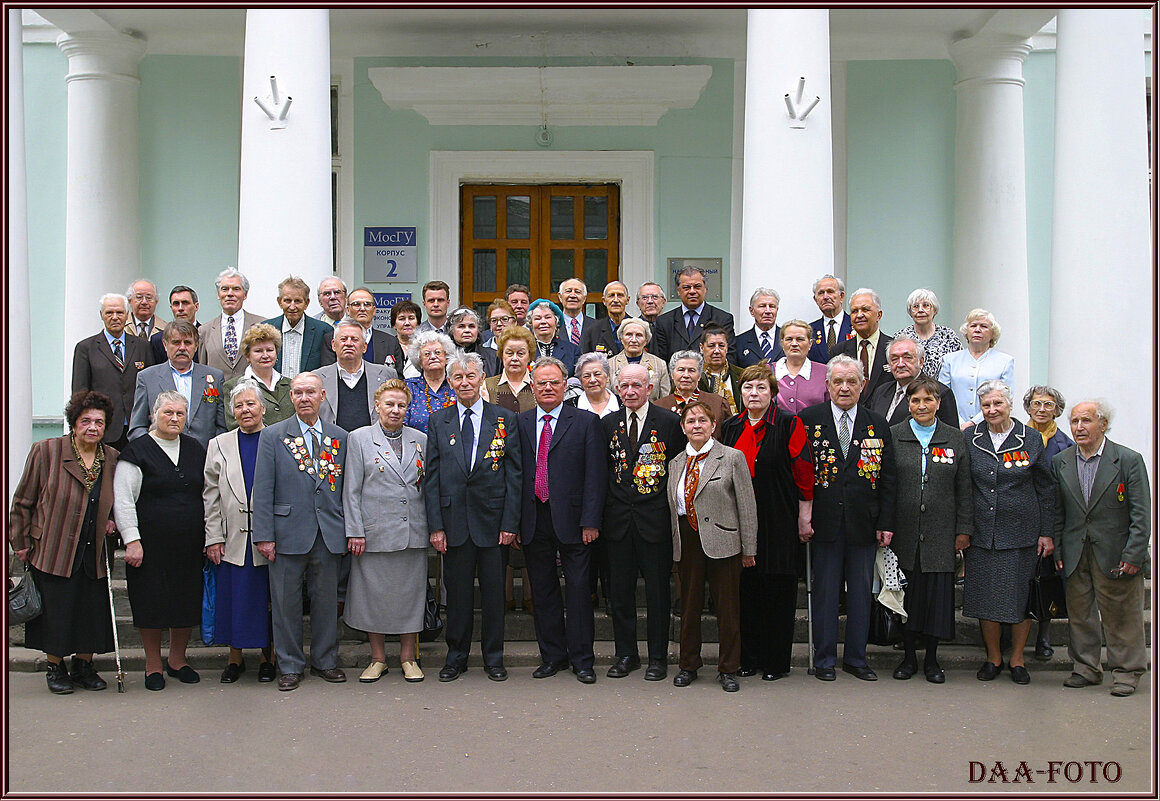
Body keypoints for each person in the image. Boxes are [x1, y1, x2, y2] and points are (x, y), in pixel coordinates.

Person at [9, 391, 118, 694]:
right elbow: (22, 501)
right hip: (53, 545)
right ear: (74, 423)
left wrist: (113, 522)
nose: (92, 427)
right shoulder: (46, 451)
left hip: (92, 548)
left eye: (99, 422)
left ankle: (84, 666)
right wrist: (19, 540)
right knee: (57, 611)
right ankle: (55, 667)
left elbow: (117, 501)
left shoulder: (111, 458)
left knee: (90, 611)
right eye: (86, 421)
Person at [798, 355, 896, 682]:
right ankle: (824, 659)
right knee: (825, 594)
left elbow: (888, 478)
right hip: (823, 522)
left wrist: (886, 522)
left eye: (851, 381)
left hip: (863, 522)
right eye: (837, 381)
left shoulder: (876, 424)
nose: (844, 387)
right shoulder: (808, 420)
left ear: (862, 385)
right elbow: (799, 473)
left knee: (859, 594)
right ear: (827, 386)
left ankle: (856, 658)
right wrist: (804, 515)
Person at [426, 354, 523, 682]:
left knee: (495, 594)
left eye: (470, 376)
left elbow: (515, 474)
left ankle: (494, 657)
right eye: (457, 377)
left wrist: (511, 523)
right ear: (450, 382)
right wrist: (436, 525)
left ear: (482, 378)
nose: (464, 382)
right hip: (453, 524)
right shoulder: (439, 421)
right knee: (458, 594)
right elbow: (432, 477)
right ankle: (456, 657)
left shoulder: (504, 418)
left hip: (494, 523)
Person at [252, 372, 350, 691]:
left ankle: (325, 660)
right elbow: (263, 489)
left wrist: (349, 530)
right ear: (291, 398)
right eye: (298, 393)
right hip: (285, 532)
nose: (304, 398)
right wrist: (264, 535)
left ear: (323, 396)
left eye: (310, 392)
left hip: (328, 532)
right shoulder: (273, 436)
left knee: (325, 602)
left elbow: (347, 489)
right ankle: (290, 665)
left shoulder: (340, 437)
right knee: (285, 603)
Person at [718, 363, 813, 682]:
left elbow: (803, 471)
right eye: (747, 387)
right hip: (740, 522)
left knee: (777, 591)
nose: (753, 393)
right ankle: (749, 657)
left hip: (778, 519)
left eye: (760, 387)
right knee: (747, 592)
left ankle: (775, 662)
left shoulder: (789, 423)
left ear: (773, 393)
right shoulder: (731, 426)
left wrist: (805, 513)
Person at [517, 357, 608, 683]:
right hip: (534, 519)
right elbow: (518, 475)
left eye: (554, 382)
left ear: (566, 384)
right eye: (541, 383)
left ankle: (583, 660)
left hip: (575, 522)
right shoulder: (522, 422)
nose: (547, 388)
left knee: (580, 592)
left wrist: (591, 521)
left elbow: (596, 476)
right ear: (532, 386)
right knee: (542, 593)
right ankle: (552, 656)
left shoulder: (584, 422)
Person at [1053, 401, 1151, 697]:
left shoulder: (1127, 460)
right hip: (1075, 552)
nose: (1079, 427)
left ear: (1103, 424)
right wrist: (1059, 551)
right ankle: (1086, 668)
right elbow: (1058, 512)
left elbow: (1141, 513)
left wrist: (1134, 554)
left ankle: (1126, 671)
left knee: (1122, 615)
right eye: (1074, 421)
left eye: (1086, 421)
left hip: (1116, 554)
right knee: (1080, 614)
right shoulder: (1062, 461)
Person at [114, 391, 207, 690]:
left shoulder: (195, 449)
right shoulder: (137, 450)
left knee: (184, 601)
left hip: (190, 543)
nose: (174, 418)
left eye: (180, 413)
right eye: (168, 412)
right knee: (150, 603)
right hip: (149, 544)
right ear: (155, 414)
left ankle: (177, 660)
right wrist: (132, 539)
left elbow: (207, 493)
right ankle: (153, 664)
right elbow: (124, 500)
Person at [964, 380, 1055, 685]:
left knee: (1020, 598)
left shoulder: (1030, 438)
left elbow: (1045, 488)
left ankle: (1017, 658)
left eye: (997, 404)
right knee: (985, 598)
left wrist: (1046, 532)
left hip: (1021, 532)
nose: (991, 410)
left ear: (1010, 404)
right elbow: (963, 486)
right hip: (982, 533)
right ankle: (993, 657)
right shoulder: (971, 438)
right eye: (986, 405)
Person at [601, 364, 684, 681]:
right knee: (620, 594)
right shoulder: (608, 424)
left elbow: (675, 469)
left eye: (637, 385)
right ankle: (626, 655)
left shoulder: (669, 422)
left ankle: (658, 658)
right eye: (624, 386)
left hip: (655, 521)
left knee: (657, 595)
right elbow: (605, 471)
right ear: (617, 389)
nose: (630, 392)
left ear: (650, 388)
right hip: (619, 522)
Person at [343, 379, 430, 684]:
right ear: (376, 406)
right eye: (389, 404)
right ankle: (377, 658)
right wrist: (354, 530)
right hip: (374, 532)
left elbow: (426, 486)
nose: (395, 410)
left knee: (411, 596)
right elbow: (351, 490)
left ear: (408, 408)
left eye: (401, 405)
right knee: (373, 597)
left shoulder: (421, 439)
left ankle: (408, 657)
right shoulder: (359, 439)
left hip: (412, 531)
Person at [888, 375, 973, 684]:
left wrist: (963, 529)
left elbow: (965, 488)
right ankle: (909, 658)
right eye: (915, 400)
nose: (921, 406)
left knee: (937, 599)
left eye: (928, 400)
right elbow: (887, 486)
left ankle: (933, 661)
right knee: (907, 597)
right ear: (907, 404)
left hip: (942, 532)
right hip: (903, 532)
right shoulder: (895, 435)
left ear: (938, 403)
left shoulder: (954, 438)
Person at [667, 400, 757, 692]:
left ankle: (729, 668)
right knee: (689, 608)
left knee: (728, 609)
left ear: (713, 425)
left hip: (724, 542)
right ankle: (688, 664)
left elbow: (747, 506)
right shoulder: (676, 463)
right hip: (687, 540)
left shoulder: (731, 458)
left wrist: (749, 549)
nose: (697, 426)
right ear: (683, 428)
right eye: (691, 421)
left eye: (702, 421)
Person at [203, 380, 276, 683]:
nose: (245, 410)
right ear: (232, 411)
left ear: (262, 408)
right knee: (233, 599)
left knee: (266, 601)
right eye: (239, 405)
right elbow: (210, 494)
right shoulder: (218, 444)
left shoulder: (276, 439)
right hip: (232, 537)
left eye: (250, 404)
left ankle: (267, 658)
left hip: (268, 538)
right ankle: (234, 660)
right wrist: (213, 537)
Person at [480, 325, 538, 613]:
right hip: (495, 471)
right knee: (500, 533)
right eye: (509, 353)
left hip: (534, 466)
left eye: (521, 353)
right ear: (500, 355)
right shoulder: (488, 386)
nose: (515, 358)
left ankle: (530, 596)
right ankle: (502, 599)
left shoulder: (539, 385)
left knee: (529, 531)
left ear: (530, 356)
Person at [1023, 384, 1074, 659]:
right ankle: (1010, 635)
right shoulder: (1017, 436)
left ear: (1057, 410)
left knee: (1045, 580)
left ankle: (1043, 637)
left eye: (1048, 405)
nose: (1042, 409)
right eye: (1037, 404)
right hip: (1019, 519)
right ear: (1028, 407)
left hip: (1051, 521)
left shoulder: (1066, 444)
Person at [72, 292, 153, 450]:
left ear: (127, 315)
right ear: (101, 315)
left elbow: (151, 385)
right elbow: (80, 392)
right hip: (103, 428)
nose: (115, 317)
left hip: (137, 427)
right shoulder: (86, 348)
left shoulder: (142, 346)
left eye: (120, 312)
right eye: (109, 312)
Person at [130, 320, 227, 448]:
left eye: (187, 343)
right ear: (165, 345)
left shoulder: (214, 377)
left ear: (196, 345)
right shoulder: (147, 378)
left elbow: (223, 426)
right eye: (176, 342)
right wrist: (152, 450)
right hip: (162, 458)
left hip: (205, 457)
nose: (182, 348)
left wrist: (213, 451)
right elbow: (137, 428)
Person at [938, 309, 1016, 429]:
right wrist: (959, 422)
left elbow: (1007, 397)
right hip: (954, 425)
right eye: (973, 326)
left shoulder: (1005, 361)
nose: (977, 330)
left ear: (993, 334)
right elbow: (943, 394)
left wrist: (974, 422)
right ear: (966, 331)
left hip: (990, 425)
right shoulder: (950, 360)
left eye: (984, 326)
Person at [316, 319, 399, 430]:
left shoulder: (386, 375)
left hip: (373, 445)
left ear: (364, 347)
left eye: (355, 339)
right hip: (332, 444)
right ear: (333, 345)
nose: (349, 343)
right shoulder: (318, 378)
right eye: (343, 339)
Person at [867, 335, 958, 427]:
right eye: (894, 359)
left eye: (907, 358)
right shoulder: (881, 391)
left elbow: (951, 435)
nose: (900, 364)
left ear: (921, 362)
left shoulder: (940, 392)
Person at [651, 266, 736, 365]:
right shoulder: (664, 321)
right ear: (678, 291)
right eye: (686, 287)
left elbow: (730, 356)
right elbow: (660, 360)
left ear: (705, 289)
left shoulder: (722, 319)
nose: (692, 291)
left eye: (697, 286)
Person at [197, 268, 264, 382]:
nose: (230, 294)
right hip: (217, 396)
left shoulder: (261, 325)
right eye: (225, 289)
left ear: (245, 294)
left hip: (251, 395)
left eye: (236, 289)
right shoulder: (205, 331)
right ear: (219, 294)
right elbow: (202, 370)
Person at [222, 323, 294, 429]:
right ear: (248, 356)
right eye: (258, 351)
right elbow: (233, 425)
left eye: (269, 350)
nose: (265, 355)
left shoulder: (291, 384)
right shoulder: (233, 386)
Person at [321, 287, 406, 374]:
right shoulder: (331, 338)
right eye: (356, 304)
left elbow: (397, 377)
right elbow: (328, 374)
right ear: (348, 310)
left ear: (374, 310)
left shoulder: (390, 342)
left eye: (367, 304)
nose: (362, 309)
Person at [261, 276, 334, 378]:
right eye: (287, 300)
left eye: (297, 301)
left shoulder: (323, 331)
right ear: (279, 302)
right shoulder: (266, 329)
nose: (292, 306)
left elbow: (328, 371)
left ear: (306, 303)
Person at [831, 288, 894, 399]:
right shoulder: (839, 351)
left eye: (865, 310)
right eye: (855, 311)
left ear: (879, 315)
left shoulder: (893, 348)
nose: (859, 315)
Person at [655, 351, 730, 438]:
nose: (686, 375)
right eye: (681, 370)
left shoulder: (718, 404)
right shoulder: (659, 406)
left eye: (691, 370)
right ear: (672, 375)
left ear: (699, 376)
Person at [894, 288, 962, 379]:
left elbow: (960, 366)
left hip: (942, 391)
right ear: (910, 312)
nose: (920, 310)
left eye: (926, 305)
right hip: (910, 390)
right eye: (915, 306)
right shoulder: (901, 336)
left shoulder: (948, 336)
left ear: (935, 310)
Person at [403, 331, 458, 433]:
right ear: (419, 362)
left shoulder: (456, 385)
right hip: (418, 447)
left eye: (437, 352)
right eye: (427, 354)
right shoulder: (408, 387)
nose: (432, 357)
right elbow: (402, 423)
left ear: (446, 358)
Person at [606, 317, 671, 401]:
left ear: (646, 340)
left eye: (639, 335)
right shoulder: (609, 364)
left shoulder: (659, 364)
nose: (633, 340)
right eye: (629, 335)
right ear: (621, 339)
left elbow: (664, 400)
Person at [773, 319, 828, 415]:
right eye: (789, 339)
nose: (794, 344)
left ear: (810, 343)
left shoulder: (825, 372)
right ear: (782, 343)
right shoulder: (767, 371)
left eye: (800, 339)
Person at [527, 298, 580, 376]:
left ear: (556, 323)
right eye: (537, 318)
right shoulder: (525, 349)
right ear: (531, 324)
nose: (543, 322)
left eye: (548, 317)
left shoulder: (572, 350)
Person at [697, 324, 742, 416]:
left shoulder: (741, 375)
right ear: (702, 348)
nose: (717, 351)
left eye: (721, 346)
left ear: (727, 347)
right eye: (711, 346)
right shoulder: (694, 377)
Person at [151, 285, 201, 365]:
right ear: (171, 308)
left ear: (196, 306)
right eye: (176, 304)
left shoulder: (206, 336)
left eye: (185, 303)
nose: (180, 308)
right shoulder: (158, 340)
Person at [807, 274, 852, 363]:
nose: (825, 297)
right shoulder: (809, 330)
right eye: (821, 293)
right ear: (816, 300)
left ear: (841, 296)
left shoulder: (856, 325)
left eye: (830, 291)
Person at [734, 288, 784, 367]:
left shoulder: (788, 338)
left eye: (772, 306)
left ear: (777, 310)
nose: (768, 311)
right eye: (762, 306)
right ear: (751, 311)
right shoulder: (739, 342)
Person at [579, 281, 629, 355]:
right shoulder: (593, 330)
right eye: (611, 296)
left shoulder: (638, 326)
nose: (615, 300)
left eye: (620, 295)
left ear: (627, 300)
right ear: (604, 301)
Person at [448, 306, 498, 376]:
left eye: (471, 326)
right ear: (452, 330)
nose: (467, 330)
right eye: (461, 326)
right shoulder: (444, 358)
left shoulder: (494, 357)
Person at [569, 352, 620, 418]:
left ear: (607, 377)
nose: (592, 380)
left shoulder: (622, 404)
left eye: (597, 374)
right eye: (587, 376)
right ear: (580, 380)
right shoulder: (570, 407)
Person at [390, 298, 424, 377]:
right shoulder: (387, 346)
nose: (407, 323)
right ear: (394, 324)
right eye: (402, 319)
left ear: (418, 323)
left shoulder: (425, 346)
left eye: (411, 318)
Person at [557, 278, 594, 348]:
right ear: (560, 297)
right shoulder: (553, 325)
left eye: (578, 292)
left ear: (584, 299)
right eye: (568, 291)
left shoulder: (596, 326)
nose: (573, 295)